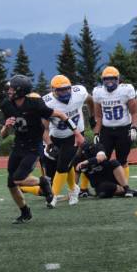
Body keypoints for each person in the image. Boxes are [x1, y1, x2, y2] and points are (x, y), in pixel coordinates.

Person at [1, 74, 83, 223]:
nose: (9, 91)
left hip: (33, 147)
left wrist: (77, 133)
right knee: (11, 183)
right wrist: (6, 127)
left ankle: (43, 183)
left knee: (18, 178)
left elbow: (60, 114)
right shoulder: (7, 104)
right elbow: (3, 135)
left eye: (12, 88)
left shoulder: (35, 104)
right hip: (18, 146)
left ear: (21, 90)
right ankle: (25, 212)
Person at [41, 75, 91, 206]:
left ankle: (53, 196)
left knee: (62, 166)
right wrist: (49, 143)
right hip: (56, 137)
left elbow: (90, 100)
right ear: (53, 90)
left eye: (67, 89)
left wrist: (93, 116)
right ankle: (74, 189)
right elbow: (44, 129)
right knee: (65, 165)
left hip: (75, 135)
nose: (65, 92)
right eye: (60, 90)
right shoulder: (47, 102)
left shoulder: (79, 92)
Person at [91, 65, 137, 190]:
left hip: (123, 129)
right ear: (103, 80)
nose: (110, 81)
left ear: (118, 79)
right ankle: (107, 184)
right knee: (101, 158)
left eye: (112, 78)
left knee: (122, 159)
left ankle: (125, 186)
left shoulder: (126, 90)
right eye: (107, 79)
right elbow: (98, 116)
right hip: (106, 130)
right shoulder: (98, 92)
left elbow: (134, 112)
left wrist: (134, 127)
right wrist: (96, 133)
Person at [72, 140, 137, 199]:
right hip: (99, 183)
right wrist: (73, 192)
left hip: (111, 175)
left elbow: (101, 158)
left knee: (114, 162)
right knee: (104, 191)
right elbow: (76, 178)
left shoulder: (98, 147)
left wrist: (86, 162)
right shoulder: (77, 159)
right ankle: (129, 191)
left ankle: (127, 188)